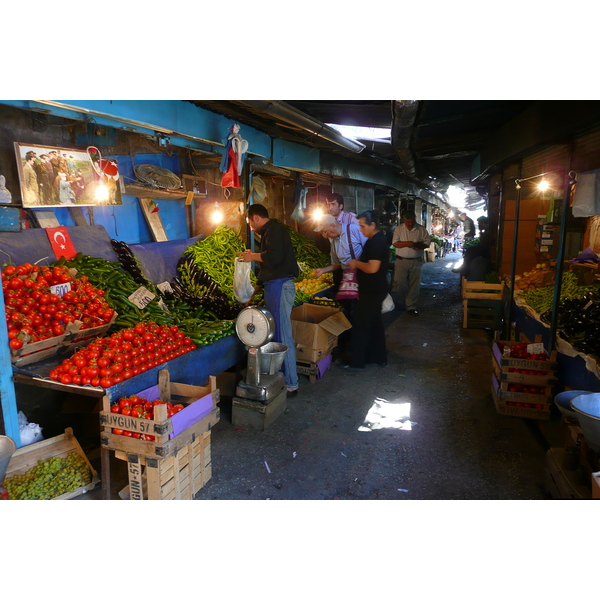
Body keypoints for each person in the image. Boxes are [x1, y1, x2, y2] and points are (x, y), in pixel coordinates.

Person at [236, 203, 299, 396]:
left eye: (249, 222)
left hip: (281, 286)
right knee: (277, 334)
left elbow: (275, 257)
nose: (250, 226)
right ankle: (282, 377)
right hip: (274, 286)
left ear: (255, 217)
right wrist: (255, 289)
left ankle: (291, 383)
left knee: (282, 335)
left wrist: (251, 257)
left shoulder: (275, 230)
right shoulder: (269, 232)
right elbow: (269, 267)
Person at [312, 214, 366, 362]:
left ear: (333, 226)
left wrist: (359, 264)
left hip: (361, 276)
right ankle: (348, 346)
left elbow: (370, 251)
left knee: (359, 313)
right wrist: (322, 270)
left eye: (324, 231)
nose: (324, 235)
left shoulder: (355, 230)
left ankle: (360, 350)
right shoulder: (334, 242)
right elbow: (336, 264)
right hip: (346, 277)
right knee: (347, 311)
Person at [341, 210, 389, 371]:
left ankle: (357, 362)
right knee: (374, 324)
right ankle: (378, 357)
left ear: (372, 225)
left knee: (360, 325)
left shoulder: (377, 242)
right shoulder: (374, 240)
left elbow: (373, 267)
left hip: (372, 291)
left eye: (362, 226)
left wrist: (356, 264)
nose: (360, 230)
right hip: (373, 289)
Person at [391, 210, 431, 315]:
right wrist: (409, 243)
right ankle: (400, 303)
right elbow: (395, 243)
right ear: (404, 220)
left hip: (416, 261)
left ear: (415, 219)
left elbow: (427, 242)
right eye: (407, 222)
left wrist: (420, 245)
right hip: (401, 260)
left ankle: (411, 306)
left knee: (414, 284)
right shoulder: (399, 229)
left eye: (411, 221)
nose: (410, 224)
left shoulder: (421, 229)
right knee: (400, 283)